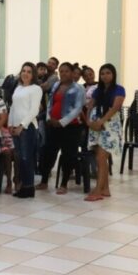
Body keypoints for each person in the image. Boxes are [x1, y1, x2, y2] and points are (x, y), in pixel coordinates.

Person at [37, 63, 85, 195]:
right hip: (53, 125)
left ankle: (64, 184)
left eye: (67, 71)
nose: (64, 74)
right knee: (48, 153)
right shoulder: (56, 86)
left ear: (72, 73)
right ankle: (44, 181)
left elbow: (78, 108)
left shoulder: (78, 88)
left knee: (68, 155)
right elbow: (50, 103)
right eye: (61, 71)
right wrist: (48, 118)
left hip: (71, 127)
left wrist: (62, 122)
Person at [85, 63, 125, 202]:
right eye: (102, 73)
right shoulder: (98, 90)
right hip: (95, 124)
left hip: (110, 125)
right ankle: (105, 189)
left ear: (113, 74)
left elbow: (115, 108)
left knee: (101, 158)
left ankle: (97, 190)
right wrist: (89, 122)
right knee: (101, 159)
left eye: (108, 73)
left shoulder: (119, 89)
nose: (105, 76)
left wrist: (101, 122)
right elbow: (90, 105)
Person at [8, 62, 42, 198]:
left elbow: (34, 110)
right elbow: (13, 108)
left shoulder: (36, 89)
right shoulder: (18, 88)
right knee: (20, 159)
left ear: (33, 74)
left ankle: (29, 188)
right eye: (24, 71)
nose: (25, 74)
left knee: (26, 158)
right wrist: (10, 124)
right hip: (16, 127)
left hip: (27, 128)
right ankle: (24, 186)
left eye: (29, 71)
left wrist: (22, 125)